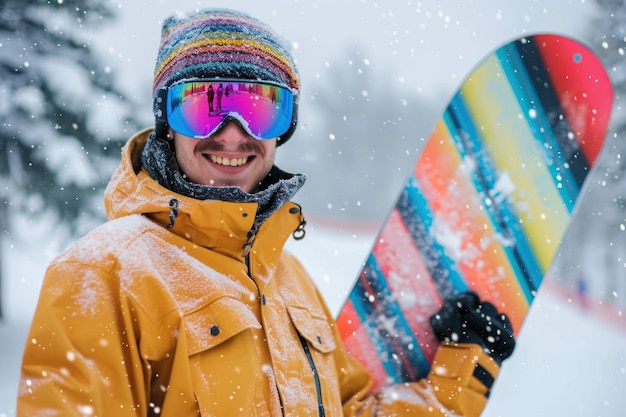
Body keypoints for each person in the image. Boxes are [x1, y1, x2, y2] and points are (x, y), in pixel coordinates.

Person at [16, 8, 515, 417]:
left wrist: (457, 378)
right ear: (166, 121)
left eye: (259, 107)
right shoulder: (102, 274)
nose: (233, 134)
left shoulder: (285, 278)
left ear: (285, 127)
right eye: (203, 105)